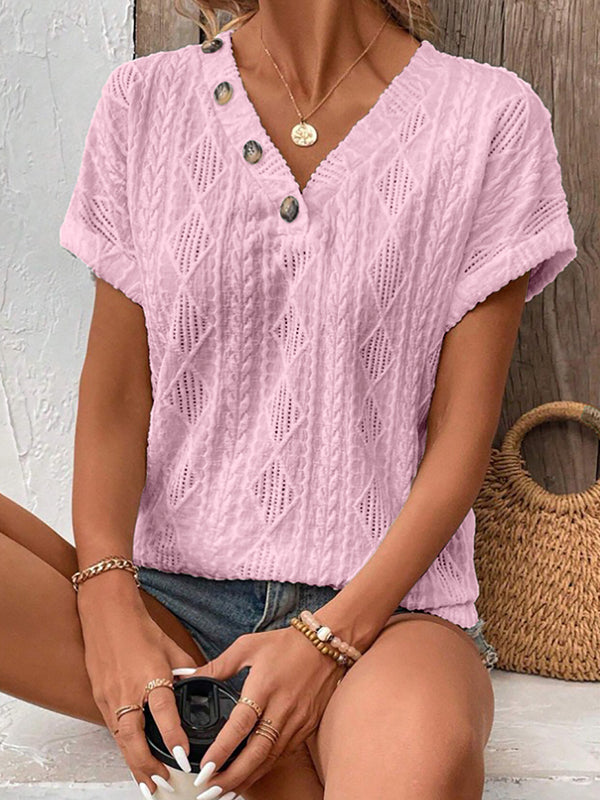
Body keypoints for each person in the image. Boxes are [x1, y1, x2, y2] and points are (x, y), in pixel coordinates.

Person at [1, 1, 577, 799]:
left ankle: (249, 748)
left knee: (419, 762)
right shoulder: (143, 102)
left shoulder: (490, 118)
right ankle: (253, 739)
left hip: (390, 620)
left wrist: (326, 641)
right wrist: (107, 604)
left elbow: (460, 432)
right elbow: (118, 398)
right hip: (169, 606)